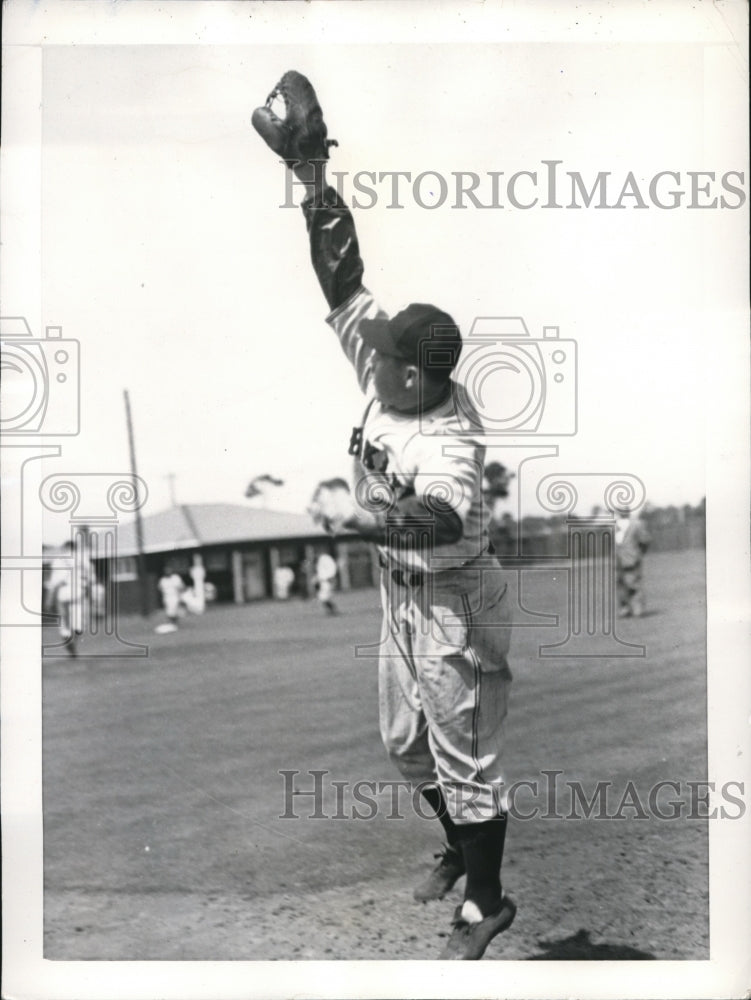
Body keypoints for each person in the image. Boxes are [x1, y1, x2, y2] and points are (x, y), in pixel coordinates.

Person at [253, 72, 515, 960]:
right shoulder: (392, 367)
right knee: (406, 747)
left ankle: (487, 903)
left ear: (419, 378)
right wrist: (312, 171)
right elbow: (342, 273)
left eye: (388, 350)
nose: (370, 343)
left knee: (465, 759)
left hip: (452, 601)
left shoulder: (448, 440)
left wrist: (364, 527)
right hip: (399, 595)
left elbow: (438, 522)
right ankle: (457, 846)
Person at [44, 538, 96, 657]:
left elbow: (54, 581)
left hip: (63, 590)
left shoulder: (59, 560)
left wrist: (49, 599)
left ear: (65, 548)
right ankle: (74, 634)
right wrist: (91, 592)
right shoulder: (82, 558)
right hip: (78, 589)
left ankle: (65, 634)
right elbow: (90, 577)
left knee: (64, 616)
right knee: (78, 618)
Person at [615, 508, 651, 617]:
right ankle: (624, 609)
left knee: (634, 583)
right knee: (621, 584)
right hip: (618, 559)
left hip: (632, 558)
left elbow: (645, 540)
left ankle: (638, 609)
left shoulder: (636, 524)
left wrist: (639, 553)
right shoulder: (614, 525)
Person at [156, 565, 185, 632]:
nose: (168, 572)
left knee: (174, 611)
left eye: (169, 571)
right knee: (169, 612)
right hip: (167, 597)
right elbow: (160, 589)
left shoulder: (176, 578)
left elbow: (181, 587)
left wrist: (180, 596)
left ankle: (175, 624)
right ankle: (172, 624)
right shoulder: (162, 580)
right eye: (166, 571)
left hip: (175, 596)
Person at [313, 550, 340, 615]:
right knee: (323, 597)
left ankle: (333, 610)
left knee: (323, 597)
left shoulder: (325, 559)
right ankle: (332, 610)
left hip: (327, 581)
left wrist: (331, 577)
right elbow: (321, 573)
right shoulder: (320, 562)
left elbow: (331, 568)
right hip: (324, 582)